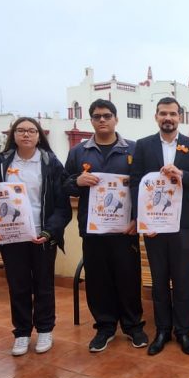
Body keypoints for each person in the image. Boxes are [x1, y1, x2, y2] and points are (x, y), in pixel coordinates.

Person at [64, 99, 147, 353]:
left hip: (125, 229)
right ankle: (105, 327)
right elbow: (64, 183)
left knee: (128, 276)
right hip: (92, 228)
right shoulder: (79, 152)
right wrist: (77, 180)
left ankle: (133, 326)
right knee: (98, 279)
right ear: (91, 120)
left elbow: (143, 188)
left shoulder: (132, 149)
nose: (102, 120)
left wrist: (137, 219)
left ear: (116, 119)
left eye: (107, 115)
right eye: (97, 116)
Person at [130, 97, 189, 356]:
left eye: (173, 114)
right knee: (159, 279)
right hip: (153, 225)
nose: (168, 118)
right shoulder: (142, 146)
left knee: (183, 280)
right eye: (163, 113)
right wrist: (142, 220)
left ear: (180, 117)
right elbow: (135, 183)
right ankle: (162, 330)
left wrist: (182, 175)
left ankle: (183, 331)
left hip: (183, 225)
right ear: (156, 116)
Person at [0, 117, 72, 356]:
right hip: (12, 234)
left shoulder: (50, 162)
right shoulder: (1, 162)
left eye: (31, 131)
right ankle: (22, 332)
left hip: (42, 233)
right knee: (18, 285)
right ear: (13, 135)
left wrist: (50, 232)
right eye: (21, 130)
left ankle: (45, 329)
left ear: (39, 135)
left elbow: (62, 205)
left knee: (44, 285)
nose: (26, 134)